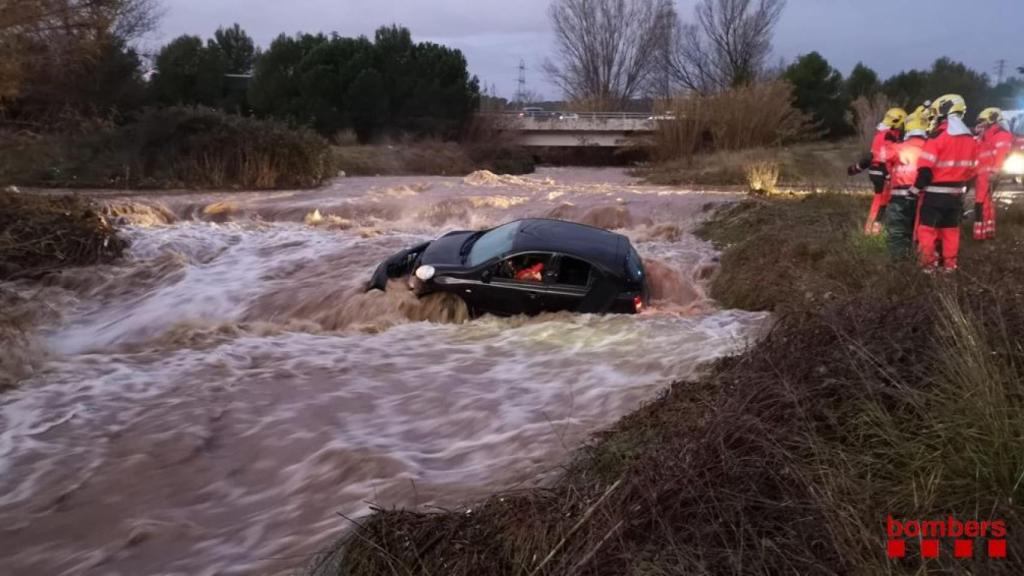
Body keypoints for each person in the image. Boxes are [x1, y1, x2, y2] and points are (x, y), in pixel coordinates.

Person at [910, 94, 979, 271]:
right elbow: (973, 171)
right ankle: (950, 267)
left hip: (934, 194)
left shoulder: (938, 135)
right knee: (950, 231)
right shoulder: (970, 138)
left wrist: (915, 189)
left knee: (927, 231)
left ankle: (928, 267)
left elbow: (925, 168)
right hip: (955, 195)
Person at [878, 106, 930, 260]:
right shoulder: (930, 147)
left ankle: (898, 268)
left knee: (897, 233)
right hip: (923, 197)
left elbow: (881, 157)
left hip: (899, 198)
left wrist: (888, 138)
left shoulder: (898, 147)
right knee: (922, 233)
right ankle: (922, 264)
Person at [849, 107, 907, 235]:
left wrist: (856, 168)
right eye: (902, 123)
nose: (903, 127)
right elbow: (887, 156)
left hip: (877, 171)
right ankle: (871, 231)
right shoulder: (889, 136)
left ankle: (874, 230)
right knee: (881, 203)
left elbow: (871, 155)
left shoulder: (880, 134)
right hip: (882, 172)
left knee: (881, 202)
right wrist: (888, 175)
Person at [973, 107, 1014, 240]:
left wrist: (995, 172)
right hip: (982, 172)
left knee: (982, 202)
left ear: (992, 119)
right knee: (984, 202)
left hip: (988, 173)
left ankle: (981, 234)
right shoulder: (988, 133)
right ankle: (987, 232)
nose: (982, 124)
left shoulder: (1001, 134)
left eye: (984, 121)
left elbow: (1001, 155)